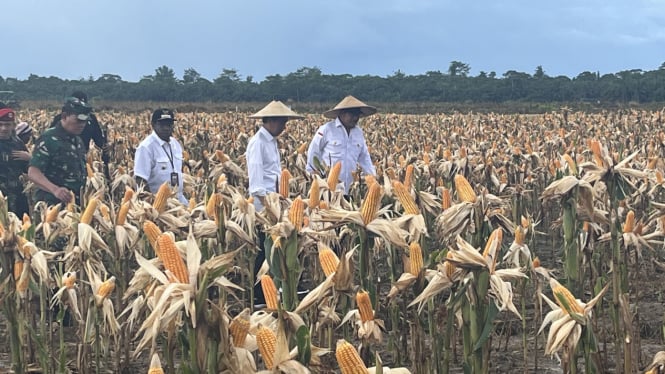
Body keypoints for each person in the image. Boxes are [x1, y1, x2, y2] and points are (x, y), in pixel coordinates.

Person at [245, 100, 304, 306]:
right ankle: (260, 296)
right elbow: (256, 184)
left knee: (278, 249)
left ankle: (281, 287)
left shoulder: (271, 141)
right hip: (265, 208)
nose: (284, 127)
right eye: (281, 122)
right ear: (269, 121)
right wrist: (270, 209)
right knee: (265, 250)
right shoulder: (257, 143)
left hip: (276, 204)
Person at [306, 95, 377, 195]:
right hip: (329, 191)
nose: (355, 118)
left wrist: (373, 178)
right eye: (352, 114)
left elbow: (364, 157)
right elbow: (313, 153)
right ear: (342, 113)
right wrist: (313, 177)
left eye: (357, 114)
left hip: (351, 190)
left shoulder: (358, 132)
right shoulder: (326, 130)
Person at [28, 97, 90, 206]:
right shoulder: (49, 139)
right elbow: (33, 172)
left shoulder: (78, 140)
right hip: (52, 204)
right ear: (64, 116)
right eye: (78, 120)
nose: (82, 124)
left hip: (75, 203)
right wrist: (55, 190)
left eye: (85, 121)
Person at [134, 109, 188, 204]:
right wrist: (152, 203)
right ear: (153, 125)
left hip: (179, 201)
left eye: (169, 125)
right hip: (158, 205)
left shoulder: (176, 144)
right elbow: (140, 180)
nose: (166, 128)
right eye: (162, 125)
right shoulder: (146, 147)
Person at [50, 91, 109, 177]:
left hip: (83, 161)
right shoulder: (59, 120)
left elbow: (99, 141)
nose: (81, 124)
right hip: (62, 165)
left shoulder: (91, 120)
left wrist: (105, 148)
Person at [0, 108, 30, 217]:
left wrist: (30, 159)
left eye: (7, 125)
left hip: (17, 195)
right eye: (1, 124)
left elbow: (28, 169)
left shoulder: (17, 143)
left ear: (13, 126)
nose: (3, 128)